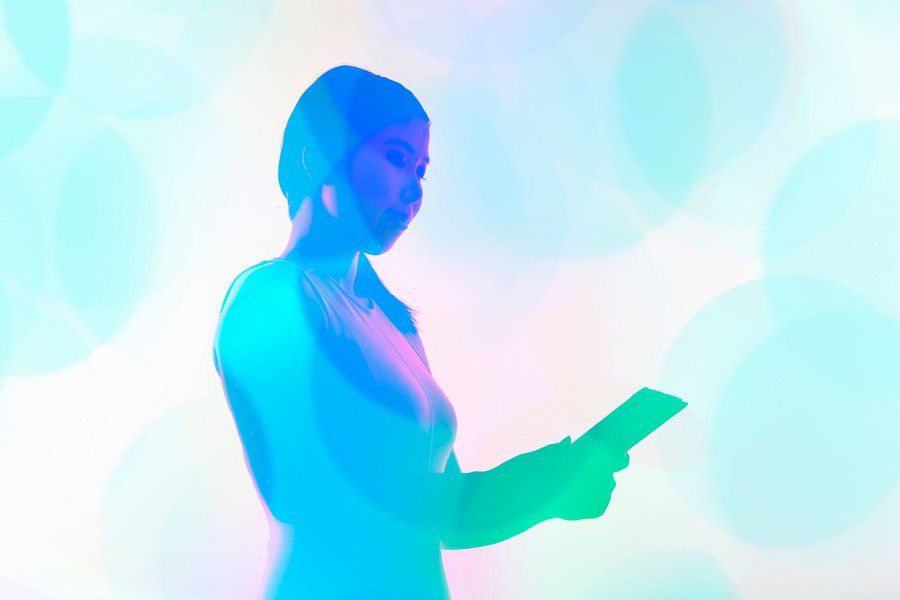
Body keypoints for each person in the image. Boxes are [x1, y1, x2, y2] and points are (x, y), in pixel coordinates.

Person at [212, 65, 630, 599]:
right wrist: (530, 486)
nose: (413, 189)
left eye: (422, 170)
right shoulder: (271, 301)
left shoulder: (391, 321)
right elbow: (318, 498)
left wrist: (548, 486)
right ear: (316, 153)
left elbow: (449, 515)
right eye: (395, 158)